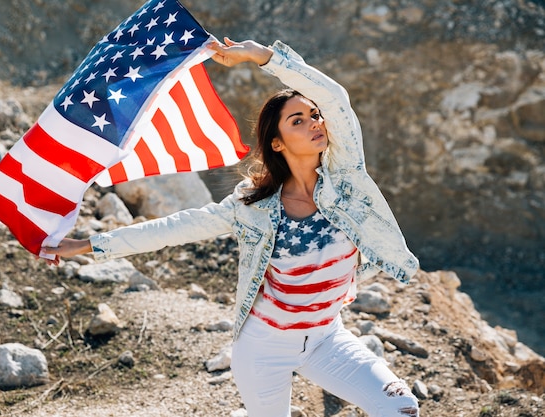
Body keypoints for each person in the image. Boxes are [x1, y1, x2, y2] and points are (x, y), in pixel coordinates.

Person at [42, 37, 420, 417]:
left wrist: (262, 57)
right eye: (298, 121)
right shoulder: (252, 207)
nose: (315, 124)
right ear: (277, 143)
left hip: (327, 338)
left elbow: (335, 97)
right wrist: (88, 245)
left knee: (402, 407)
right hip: (264, 348)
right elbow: (174, 228)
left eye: (314, 115)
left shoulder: (347, 180)